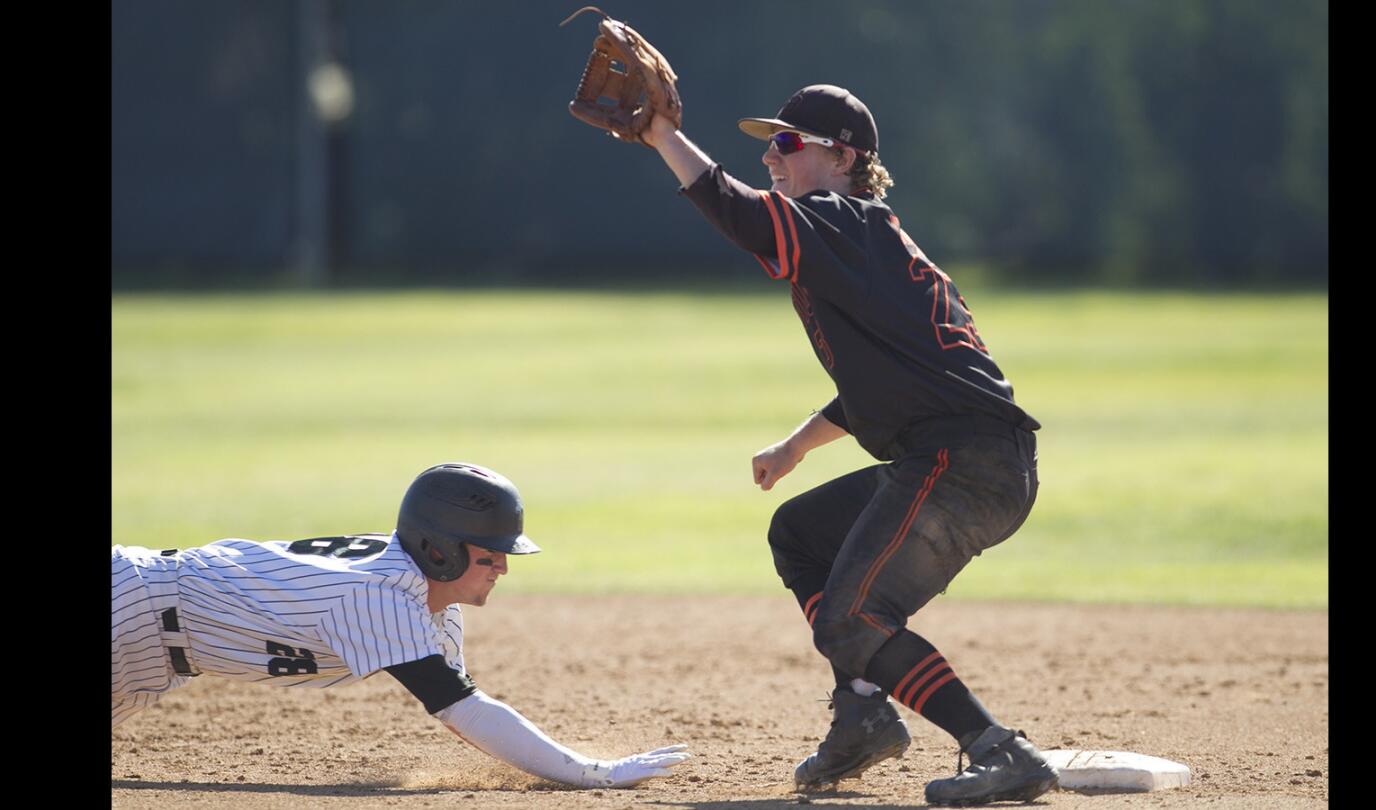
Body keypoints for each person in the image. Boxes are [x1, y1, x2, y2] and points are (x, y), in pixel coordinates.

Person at [640, 86, 1059, 805]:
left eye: (788, 142)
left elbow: (743, 217)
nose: (771, 153)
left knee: (854, 617)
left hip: (965, 465)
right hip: (959, 456)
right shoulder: (861, 237)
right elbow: (884, 382)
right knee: (801, 535)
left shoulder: (835, 219)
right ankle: (862, 712)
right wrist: (798, 446)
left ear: (842, 156)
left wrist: (659, 136)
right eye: (770, 141)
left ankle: (1000, 749)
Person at [111, 462, 691, 789]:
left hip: (148, 650)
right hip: (127, 611)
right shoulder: (382, 598)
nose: (503, 568)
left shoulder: (431, 607)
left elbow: (468, 711)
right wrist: (592, 773)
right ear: (439, 552)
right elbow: (462, 708)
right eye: (488, 554)